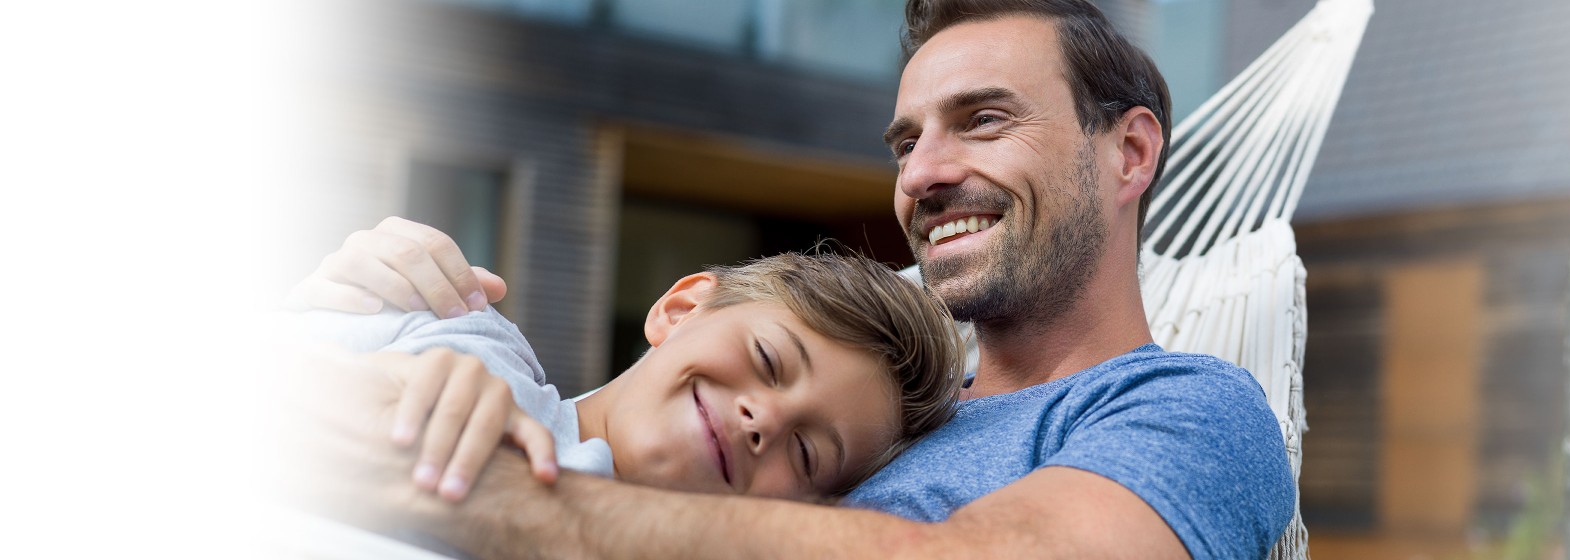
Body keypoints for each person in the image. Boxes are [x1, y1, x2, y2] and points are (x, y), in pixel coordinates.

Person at [293, 1, 1296, 557]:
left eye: (983, 119)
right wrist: (356, 325)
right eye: (908, 140)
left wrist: (471, 494)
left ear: (1128, 154)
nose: (925, 172)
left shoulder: (1186, 409)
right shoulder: (878, 408)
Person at [297, 252, 964, 506]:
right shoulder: (453, 327)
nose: (766, 419)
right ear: (681, 309)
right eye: (767, 361)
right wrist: (342, 378)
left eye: (808, 452)